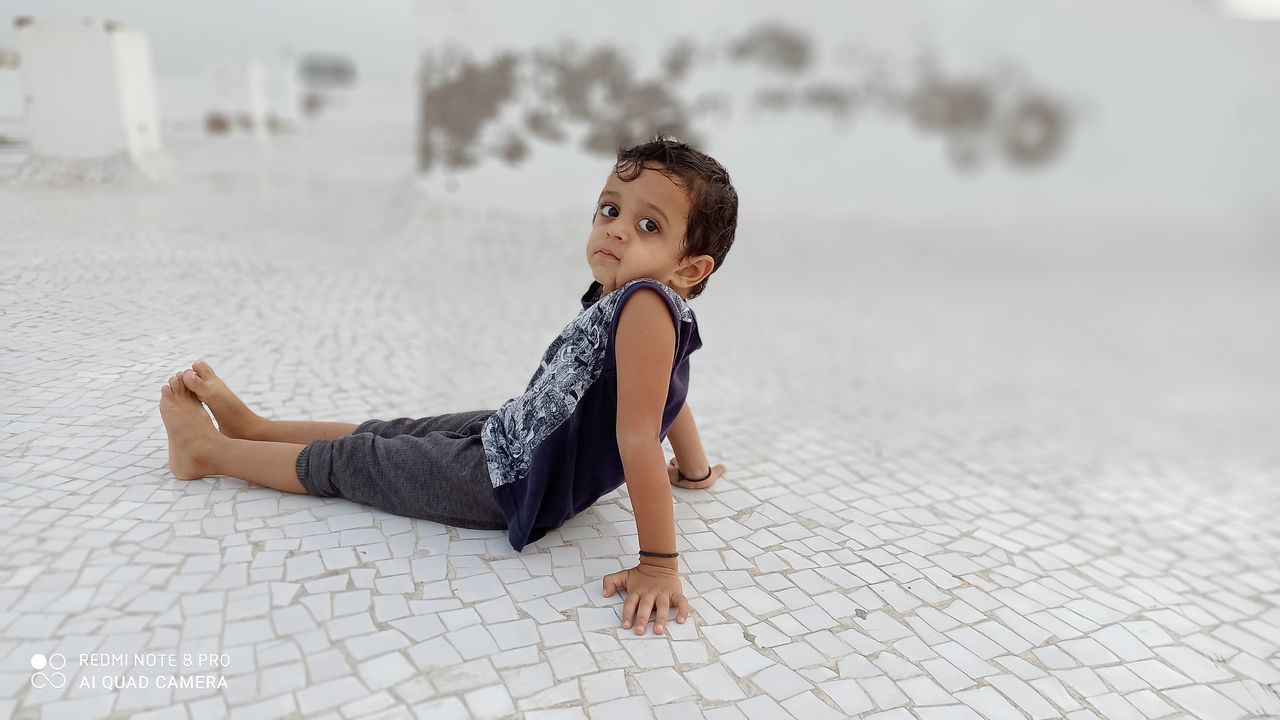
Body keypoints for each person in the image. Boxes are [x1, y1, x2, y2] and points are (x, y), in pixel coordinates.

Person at [157, 134, 736, 636]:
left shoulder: (643, 307)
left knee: (363, 462)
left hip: (508, 483)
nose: (615, 230)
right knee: (392, 432)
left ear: (690, 268)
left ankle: (205, 453)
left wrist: (659, 563)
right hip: (513, 434)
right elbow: (668, 400)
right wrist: (693, 472)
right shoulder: (633, 301)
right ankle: (254, 430)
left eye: (648, 225)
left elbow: (638, 434)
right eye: (609, 209)